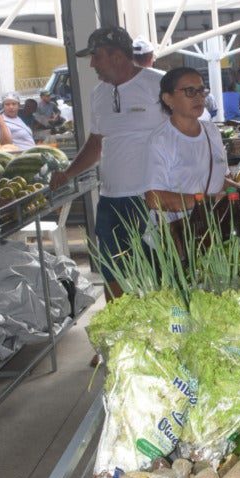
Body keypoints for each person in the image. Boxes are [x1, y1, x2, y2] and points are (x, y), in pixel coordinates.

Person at [49, 26, 164, 301]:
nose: (91, 64)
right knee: (113, 272)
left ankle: (169, 329)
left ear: (116, 56)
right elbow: (96, 143)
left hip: (150, 197)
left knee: (161, 271)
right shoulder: (98, 94)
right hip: (111, 200)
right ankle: (119, 332)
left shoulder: (159, 84)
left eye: (96, 56)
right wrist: (67, 173)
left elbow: (183, 130)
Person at [144, 67, 240, 223]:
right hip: (180, 231)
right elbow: (154, 198)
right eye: (190, 91)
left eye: (201, 91)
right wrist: (206, 201)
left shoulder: (211, 131)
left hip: (214, 225)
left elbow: (219, 179)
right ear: (168, 99)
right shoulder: (161, 140)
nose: (199, 97)